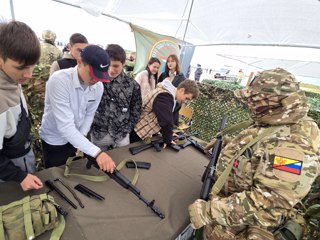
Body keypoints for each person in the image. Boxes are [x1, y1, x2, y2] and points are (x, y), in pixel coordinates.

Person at [188, 68, 320, 239]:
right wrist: (231, 145)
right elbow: (259, 149)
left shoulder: (293, 146)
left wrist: (209, 212)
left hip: (237, 229)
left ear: (272, 102)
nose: (248, 103)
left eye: (253, 99)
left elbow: (268, 205)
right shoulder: (274, 120)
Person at [39, 45, 116, 172]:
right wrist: (97, 153)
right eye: (92, 74)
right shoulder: (59, 81)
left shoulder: (98, 87)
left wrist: (81, 137)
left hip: (77, 135)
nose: (95, 80)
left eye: (99, 76)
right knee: (55, 174)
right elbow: (65, 127)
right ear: (79, 62)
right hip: (55, 139)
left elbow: (89, 114)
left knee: (73, 171)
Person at [0, 20, 43, 191]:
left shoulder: (12, 76)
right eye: (21, 67)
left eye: (33, 65)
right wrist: (19, 176)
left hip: (24, 154)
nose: (29, 74)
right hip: (9, 172)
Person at [90, 44, 142, 151]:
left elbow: (136, 110)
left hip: (121, 135)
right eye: (108, 65)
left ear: (124, 64)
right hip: (98, 134)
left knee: (122, 163)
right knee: (95, 165)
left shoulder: (132, 85)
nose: (111, 69)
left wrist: (127, 129)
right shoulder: (94, 81)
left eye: (115, 66)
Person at [130, 79, 199, 146]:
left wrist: (169, 133)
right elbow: (166, 121)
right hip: (139, 132)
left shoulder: (167, 94)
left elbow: (162, 117)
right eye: (187, 98)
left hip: (144, 130)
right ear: (182, 90)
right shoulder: (164, 96)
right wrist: (168, 139)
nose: (185, 101)